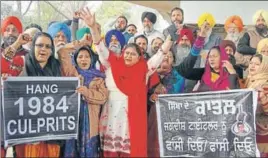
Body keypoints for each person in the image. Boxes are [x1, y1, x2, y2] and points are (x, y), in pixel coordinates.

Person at [77, 7, 173, 157]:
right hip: (111, 118)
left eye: (133, 54)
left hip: (131, 122)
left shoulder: (144, 69)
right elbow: (100, 46)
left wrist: (170, 39)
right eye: (126, 53)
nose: (128, 56)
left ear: (139, 57)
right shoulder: (111, 65)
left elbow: (160, 54)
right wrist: (92, 27)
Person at [17, 32, 62, 157]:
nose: (43, 49)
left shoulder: (57, 66)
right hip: (28, 132)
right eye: (40, 45)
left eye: (48, 46)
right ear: (33, 47)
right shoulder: (22, 64)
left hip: (51, 131)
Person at [57, 45, 108, 157]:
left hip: (91, 122)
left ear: (92, 59)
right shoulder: (71, 73)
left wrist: (87, 92)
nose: (83, 59)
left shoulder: (99, 77)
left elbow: (103, 97)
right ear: (75, 59)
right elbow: (62, 51)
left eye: (87, 56)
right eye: (80, 57)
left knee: (90, 149)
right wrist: (80, 42)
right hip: (71, 120)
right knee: (71, 147)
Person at [174, 24, 239, 92]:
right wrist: (200, 39)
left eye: (214, 56)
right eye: (210, 56)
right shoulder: (205, 72)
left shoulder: (233, 72)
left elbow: (236, 95)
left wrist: (232, 73)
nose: (211, 59)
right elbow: (184, 71)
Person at [242, 54, 268, 157]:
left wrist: (262, 96)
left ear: (264, 66)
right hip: (250, 132)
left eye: (257, 64)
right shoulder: (248, 82)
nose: (252, 66)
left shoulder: (265, 84)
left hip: (263, 134)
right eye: (251, 63)